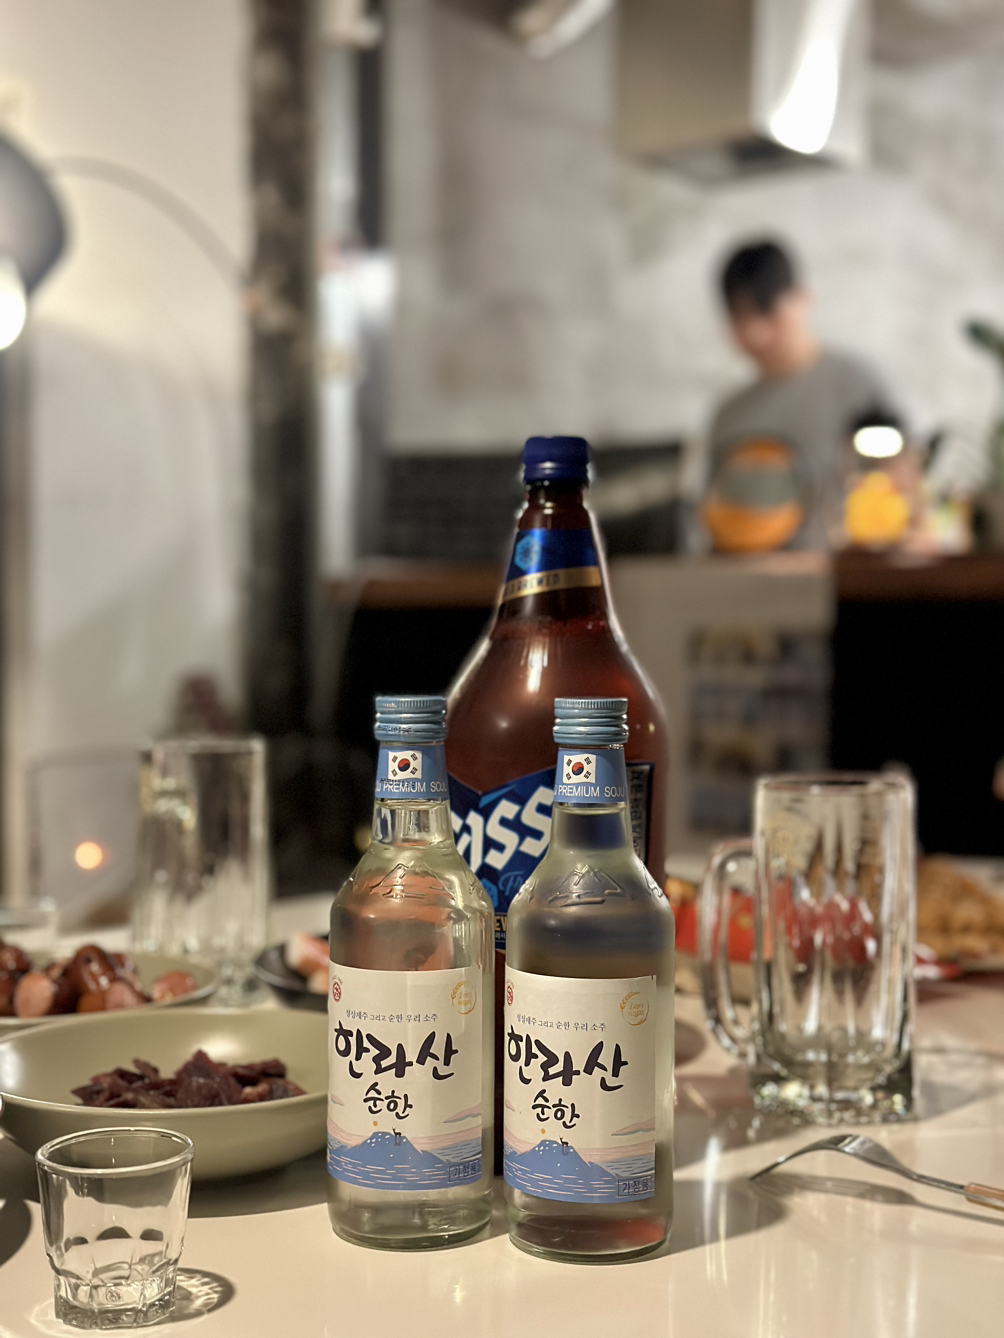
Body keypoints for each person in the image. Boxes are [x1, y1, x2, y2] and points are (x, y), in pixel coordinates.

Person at [704, 240, 901, 551]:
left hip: (846, 573)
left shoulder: (857, 385)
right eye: (740, 317)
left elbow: (903, 483)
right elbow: (713, 518)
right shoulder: (728, 415)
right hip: (747, 576)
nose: (756, 332)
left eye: (767, 311)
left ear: (801, 299)